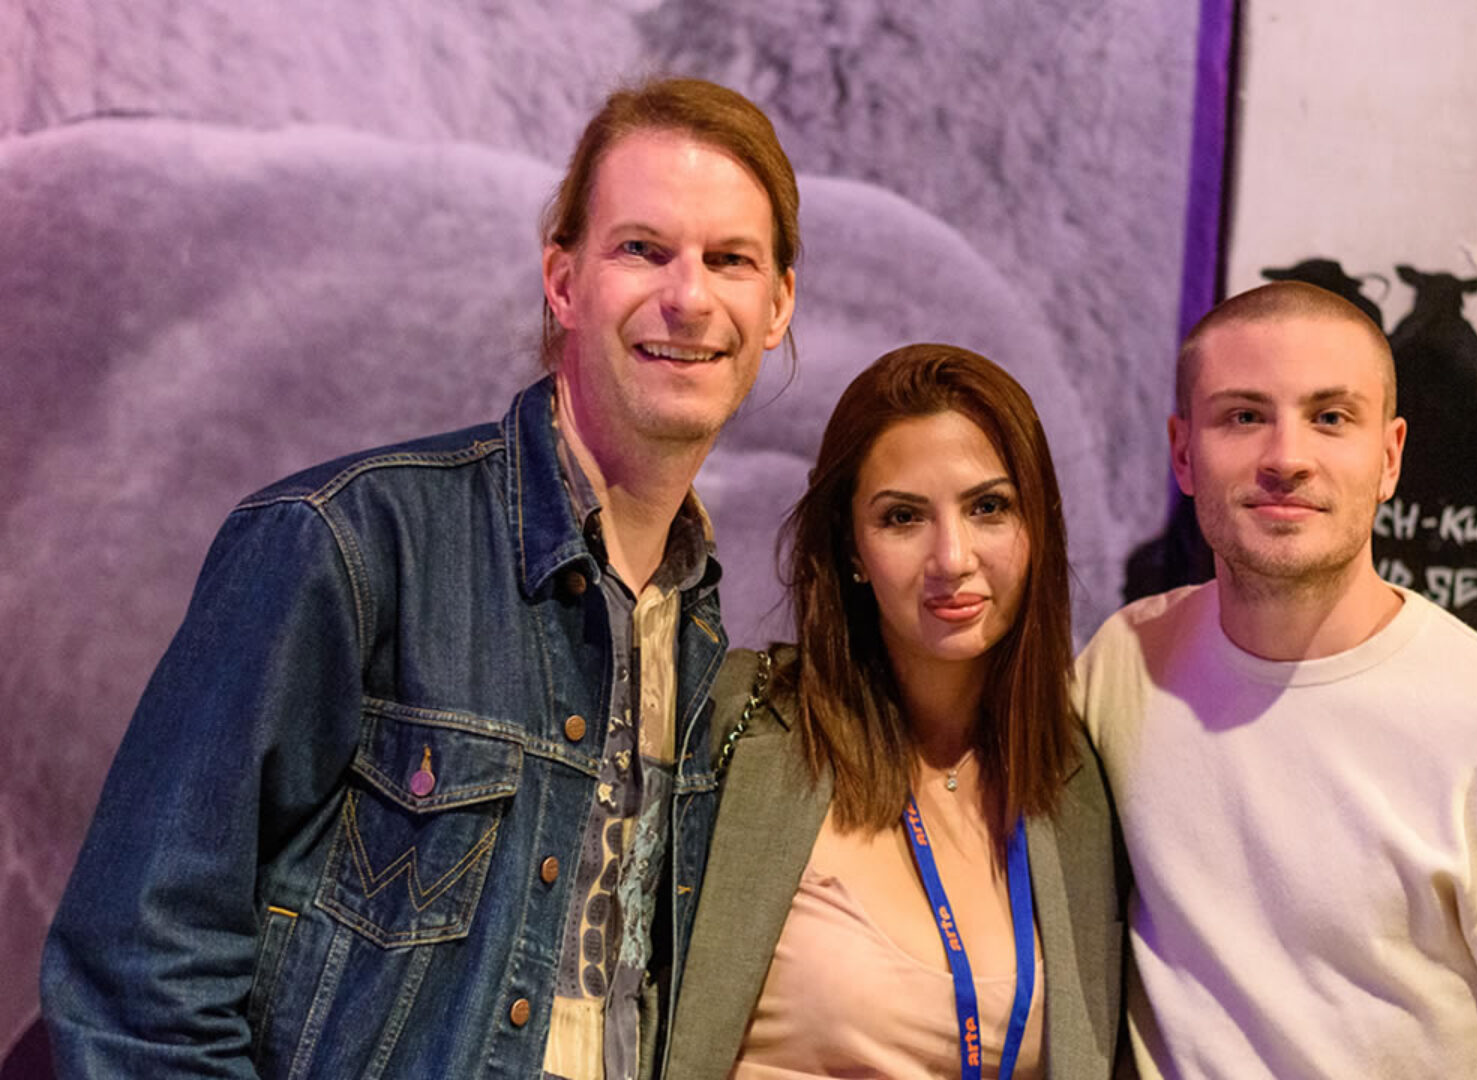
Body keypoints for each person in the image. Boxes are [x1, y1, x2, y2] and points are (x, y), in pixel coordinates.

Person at [40, 77, 798, 1080]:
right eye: (642, 249)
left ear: (778, 304)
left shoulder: (697, 639)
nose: (689, 296)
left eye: (730, 260)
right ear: (563, 282)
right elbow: (137, 976)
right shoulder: (345, 544)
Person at [1075, 281, 1477, 1078]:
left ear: (1389, 458)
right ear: (1183, 452)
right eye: (1244, 416)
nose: (1286, 457)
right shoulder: (1125, 664)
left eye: (1330, 417)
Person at [662, 344, 1124, 1078]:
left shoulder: (1076, 785)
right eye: (903, 517)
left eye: (989, 508)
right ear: (851, 547)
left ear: (1038, 527)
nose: (952, 557)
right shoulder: (737, 725)